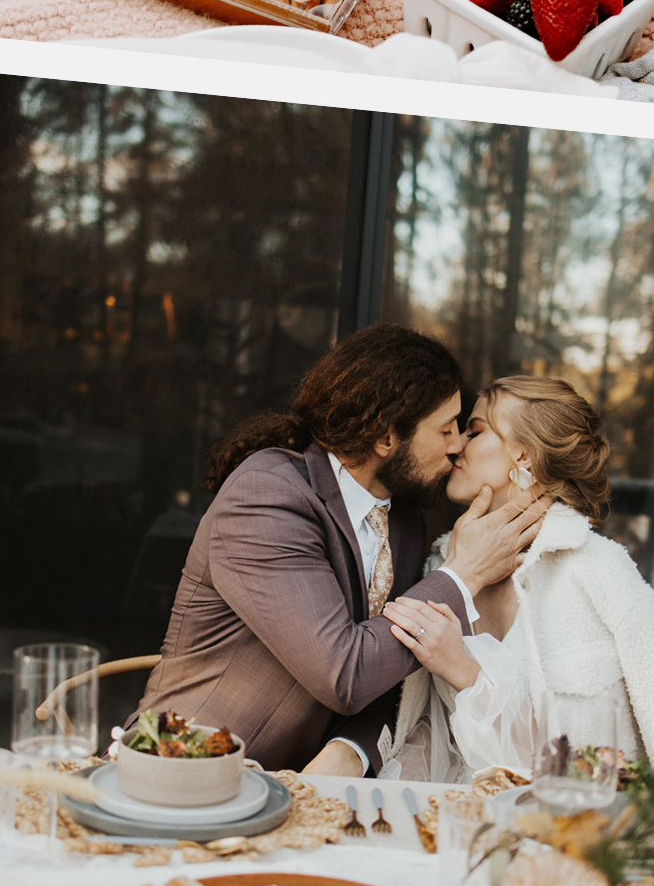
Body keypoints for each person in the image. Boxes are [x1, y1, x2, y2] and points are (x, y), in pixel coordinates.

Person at [132, 326, 549, 776]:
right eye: (446, 429)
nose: (457, 446)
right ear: (386, 437)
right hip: (177, 774)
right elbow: (344, 673)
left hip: (308, 795)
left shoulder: (405, 518)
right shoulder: (268, 496)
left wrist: (351, 751)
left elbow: (394, 677)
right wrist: (464, 574)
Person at [382, 375, 654, 799]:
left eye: (475, 430)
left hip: (575, 834)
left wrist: (465, 672)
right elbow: (430, 729)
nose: (457, 445)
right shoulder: (443, 567)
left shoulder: (598, 570)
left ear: (524, 456)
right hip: (455, 824)